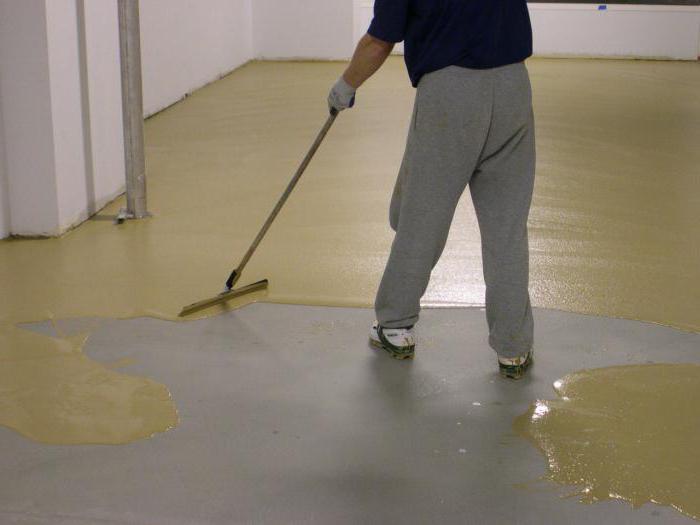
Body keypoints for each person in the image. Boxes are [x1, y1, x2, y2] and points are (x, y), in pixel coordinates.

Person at [328, 1, 535, 380]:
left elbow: (379, 40)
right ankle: (514, 347)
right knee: (506, 229)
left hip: (450, 93)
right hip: (513, 87)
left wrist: (346, 85)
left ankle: (395, 324)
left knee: (423, 216)